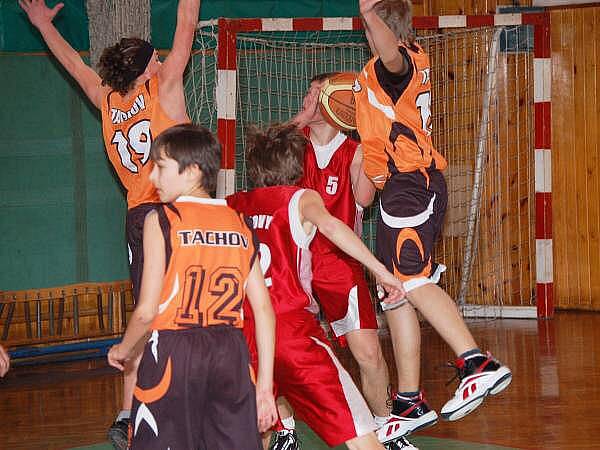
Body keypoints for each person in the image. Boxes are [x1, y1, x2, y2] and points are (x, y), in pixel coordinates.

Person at [19, 0, 200, 446]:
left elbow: (69, 60)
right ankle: (189, 406)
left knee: (145, 313)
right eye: (154, 58)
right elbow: (188, 21)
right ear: (143, 71)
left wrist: (43, 25)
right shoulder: (164, 87)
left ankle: (127, 414)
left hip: (137, 219)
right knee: (187, 312)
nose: (161, 61)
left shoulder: (106, 97)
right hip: (172, 214)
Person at [354, 0, 513, 444]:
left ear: (384, 28)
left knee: (413, 279)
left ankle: (477, 363)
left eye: (370, 26)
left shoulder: (396, 63)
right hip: (398, 187)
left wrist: (368, 13)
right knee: (396, 292)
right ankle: (408, 402)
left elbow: (387, 49)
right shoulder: (388, 73)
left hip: (411, 184)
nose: (367, 32)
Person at [227, 123, 416, 450]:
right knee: (360, 437)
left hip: (244, 337)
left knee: (252, 434)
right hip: (292, 332)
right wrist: (380, 270)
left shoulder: (231, 205)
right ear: (298, 167)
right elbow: (333, 227)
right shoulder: (300, 199)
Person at [107, 124, 277, 449]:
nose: (152, 178)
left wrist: (124, 350)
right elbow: (265, 311)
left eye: (159, 167)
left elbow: (145, 311)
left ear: (193, 171)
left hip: (174, 350)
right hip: (230, 350)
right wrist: (265, 387)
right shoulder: (240, 222)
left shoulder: (163, 219)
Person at [269, 74, 393, 448]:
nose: (311, 99)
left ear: (338, 103)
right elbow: (265, 149)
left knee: (368, 353)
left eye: (319, 94)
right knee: (279, 352)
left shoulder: (354, 151)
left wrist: (372, 138)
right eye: (308, 93)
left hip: (339, 263)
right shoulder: (292, 146)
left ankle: (388, 428)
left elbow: (366, 199)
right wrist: (302, 118)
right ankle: (285, 430)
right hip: (293, 263)